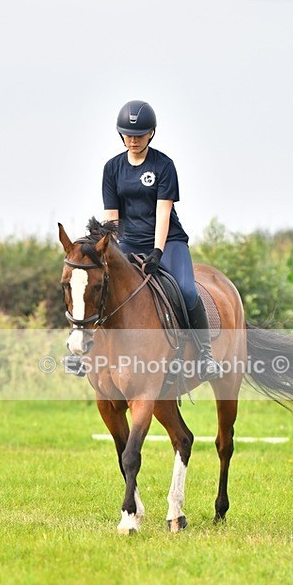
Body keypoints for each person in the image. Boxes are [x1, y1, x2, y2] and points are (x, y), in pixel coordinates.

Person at [102, 99, 221, 381]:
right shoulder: (112, 168)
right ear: (121, 134)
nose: (133, 140)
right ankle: (87, 353)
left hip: (168, 242)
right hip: (128, 243)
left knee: (186, 291)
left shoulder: (163, 165)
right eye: (128, 134)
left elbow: (163, 211)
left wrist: (157, 251)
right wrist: (111, 250)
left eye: (140, 135)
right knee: (102, 289)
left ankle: (204, 354)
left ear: (151, 134)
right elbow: (112, 216)